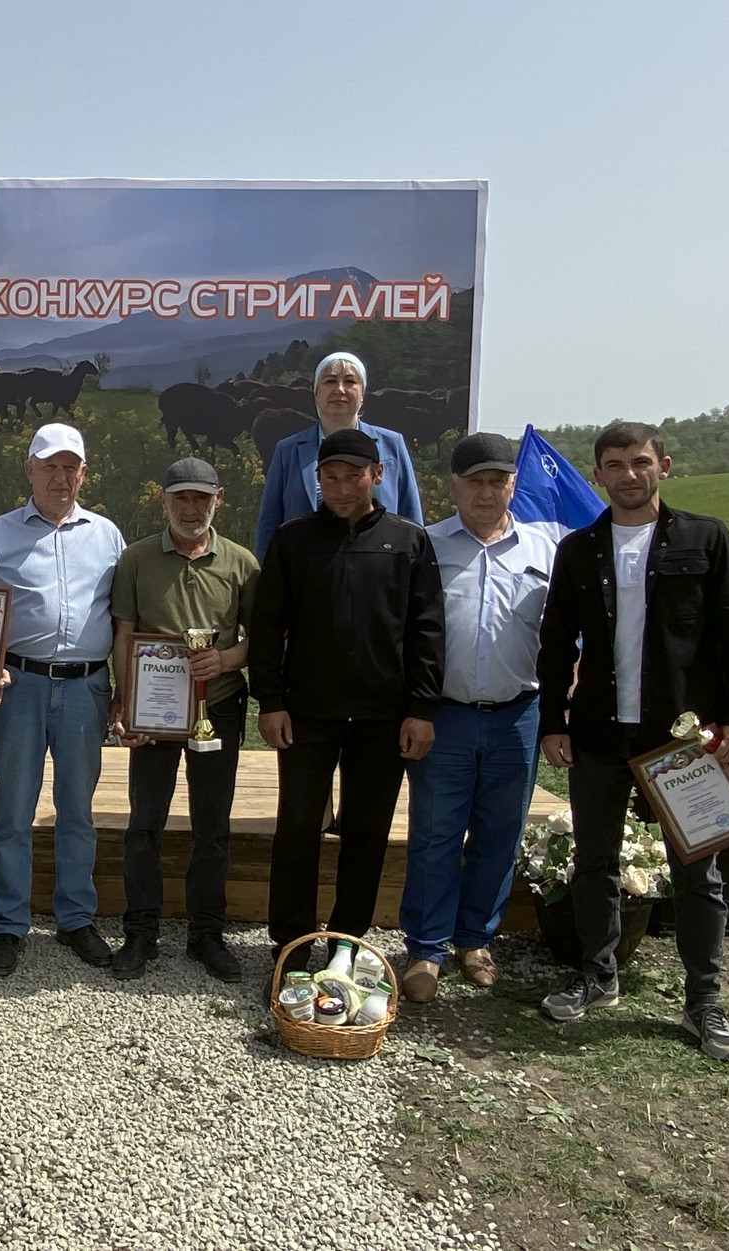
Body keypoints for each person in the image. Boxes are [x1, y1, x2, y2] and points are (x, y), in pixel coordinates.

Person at [537, 421, 729, 1062]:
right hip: (602, 734)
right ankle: (597, 975)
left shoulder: (706, 538)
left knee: (700, 872)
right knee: (596, 863)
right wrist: (554, 720)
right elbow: (557, 644)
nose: (628, 475)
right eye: (614, 464)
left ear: (663, 465)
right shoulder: (579, 549)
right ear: (598, 474)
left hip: (686, 741)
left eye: (640, 462)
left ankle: (704, 1001)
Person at [250, 427, 444, 971]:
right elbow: (267, 626)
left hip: (383, 717)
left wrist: (421, 708)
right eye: (328, 478)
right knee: (297, 826)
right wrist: (269, 701)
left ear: (377, 476)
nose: (340, 488)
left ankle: (346, 941)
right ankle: (292, 941)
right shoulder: (293, 539)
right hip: (307, 712)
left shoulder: (408, 541)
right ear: (318, 480)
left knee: (366, 830)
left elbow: (428, 630)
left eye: (352, 476)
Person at [399, 433, 556, 1003]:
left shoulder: (546, 550)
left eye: (498, 481)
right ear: (454, 486)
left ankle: (475, 941)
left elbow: (565, 638)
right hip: (445, 717)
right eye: (475, 481)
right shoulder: (425, 546)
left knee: (499, 832)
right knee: (436, 834)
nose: (487, 492)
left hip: (519, 712)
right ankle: (426, 948)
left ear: (513, 484)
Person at [0, 422, 126, 977]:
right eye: (49, 466)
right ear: (29, 470)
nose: (60, 477)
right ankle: (9, 926)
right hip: (19, 685)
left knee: (77, 811)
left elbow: (122, 618)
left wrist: (125, 690)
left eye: (70, 467)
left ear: (83, 472)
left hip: (86, 687)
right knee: (12, 811)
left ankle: (76, 918)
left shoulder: (108, 536)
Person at [109, 456, 260, 982]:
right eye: (181, 498)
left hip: (217, 706)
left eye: (201, 498)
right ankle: (141, 931)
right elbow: (124, 636)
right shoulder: (136, 559)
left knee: (212, 825)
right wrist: (124, 704)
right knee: (143, 824)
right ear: (164, 501)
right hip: (154, 710)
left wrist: (225, 659)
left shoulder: (241, 563)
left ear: (218, 499)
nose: (191, 508)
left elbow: (257, 639)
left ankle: (207, 933)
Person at [253, 351, 424, 559]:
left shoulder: (392, 444)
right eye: (330, 381)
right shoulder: (288, 450)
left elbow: (411, 518)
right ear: (316, 393)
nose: (339, 389)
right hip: (304, 577)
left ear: (362, 394)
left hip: (378, 574)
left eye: (350, 381)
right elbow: (269, 524)